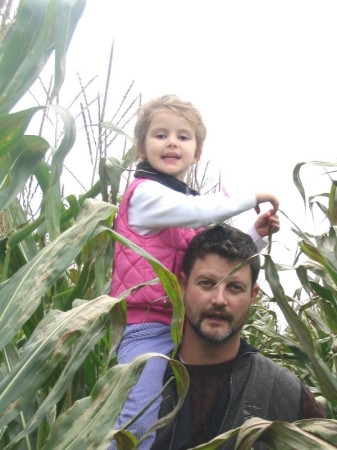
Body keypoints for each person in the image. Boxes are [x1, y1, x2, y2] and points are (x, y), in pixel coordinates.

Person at [109, 94, 280, 449]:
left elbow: (211, 263)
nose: (172, 142)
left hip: (181, 327)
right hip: (145, 329)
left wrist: (254, 236)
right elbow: (201, 211)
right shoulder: (146, 196)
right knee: (137, 421)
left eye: (183, 137)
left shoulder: (181, 206)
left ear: (197, 152)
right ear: (141, 148)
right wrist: (250, 196)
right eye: (160, 135)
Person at [151, 224, 324, 450]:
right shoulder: (141, 383)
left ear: (253, 295)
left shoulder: (286, 394)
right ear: (182, 286)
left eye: (234, 287)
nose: (219, 299)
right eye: (207, 283)